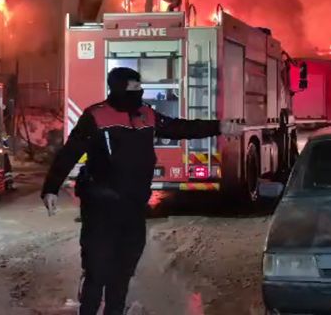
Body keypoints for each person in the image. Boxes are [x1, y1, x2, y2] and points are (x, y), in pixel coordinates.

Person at [41, 67, 239, 315]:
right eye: (133, 87)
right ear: (119, 88)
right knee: (98, 266)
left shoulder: (146, 115)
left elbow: (180, 128)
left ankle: (115, 310)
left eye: (139, 87)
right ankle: (88, 308)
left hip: (133, 205)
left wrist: (219, 126)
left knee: (124, 266)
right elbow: (70, 151)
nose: (139, 91)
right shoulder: (97, 116)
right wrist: (51, 188)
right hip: (101, 204)